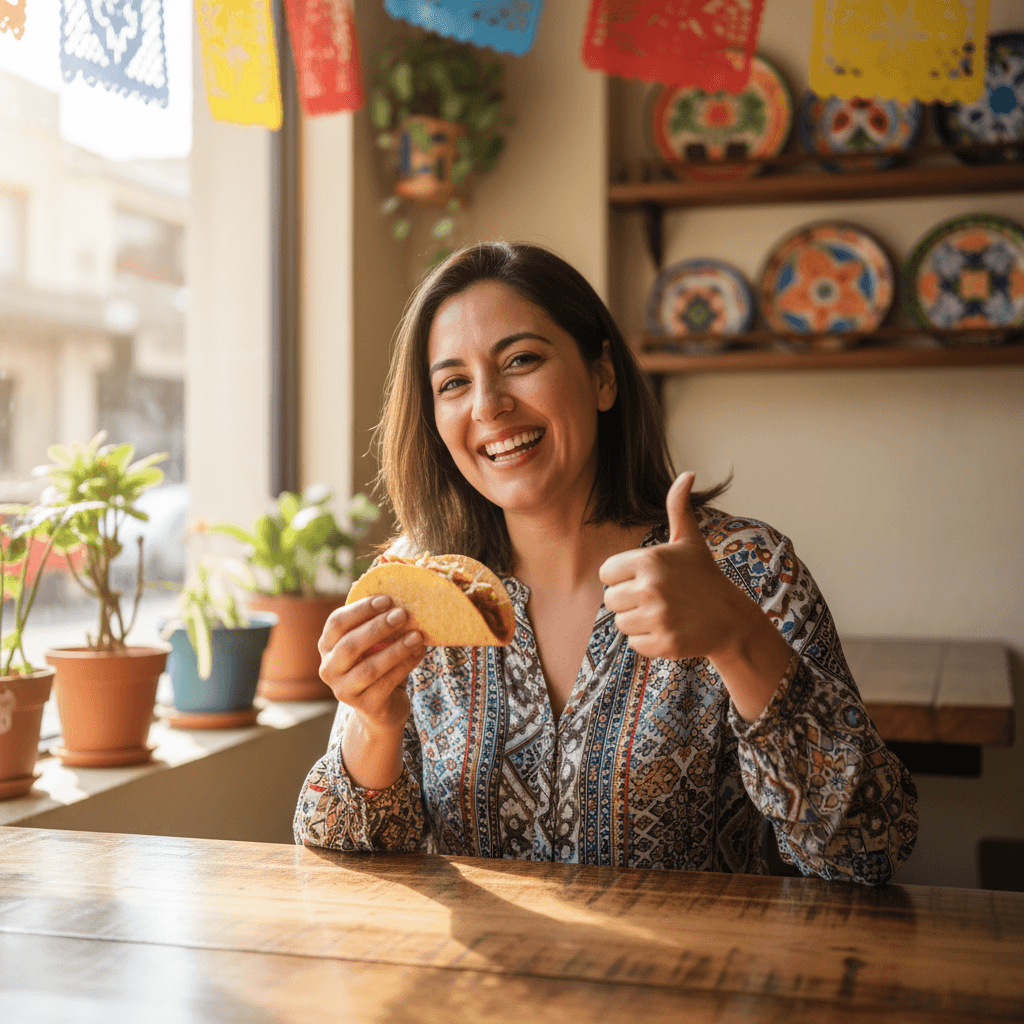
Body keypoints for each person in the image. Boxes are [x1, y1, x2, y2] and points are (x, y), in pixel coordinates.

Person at [294, 241, 918, 884]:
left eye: (521, 360)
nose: (487, 405)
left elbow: (869, 847)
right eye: (453, 383)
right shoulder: (418, 591)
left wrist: (738, 637)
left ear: (602, 378)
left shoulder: (747, 570)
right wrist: (374, 724)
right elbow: (342, 862)